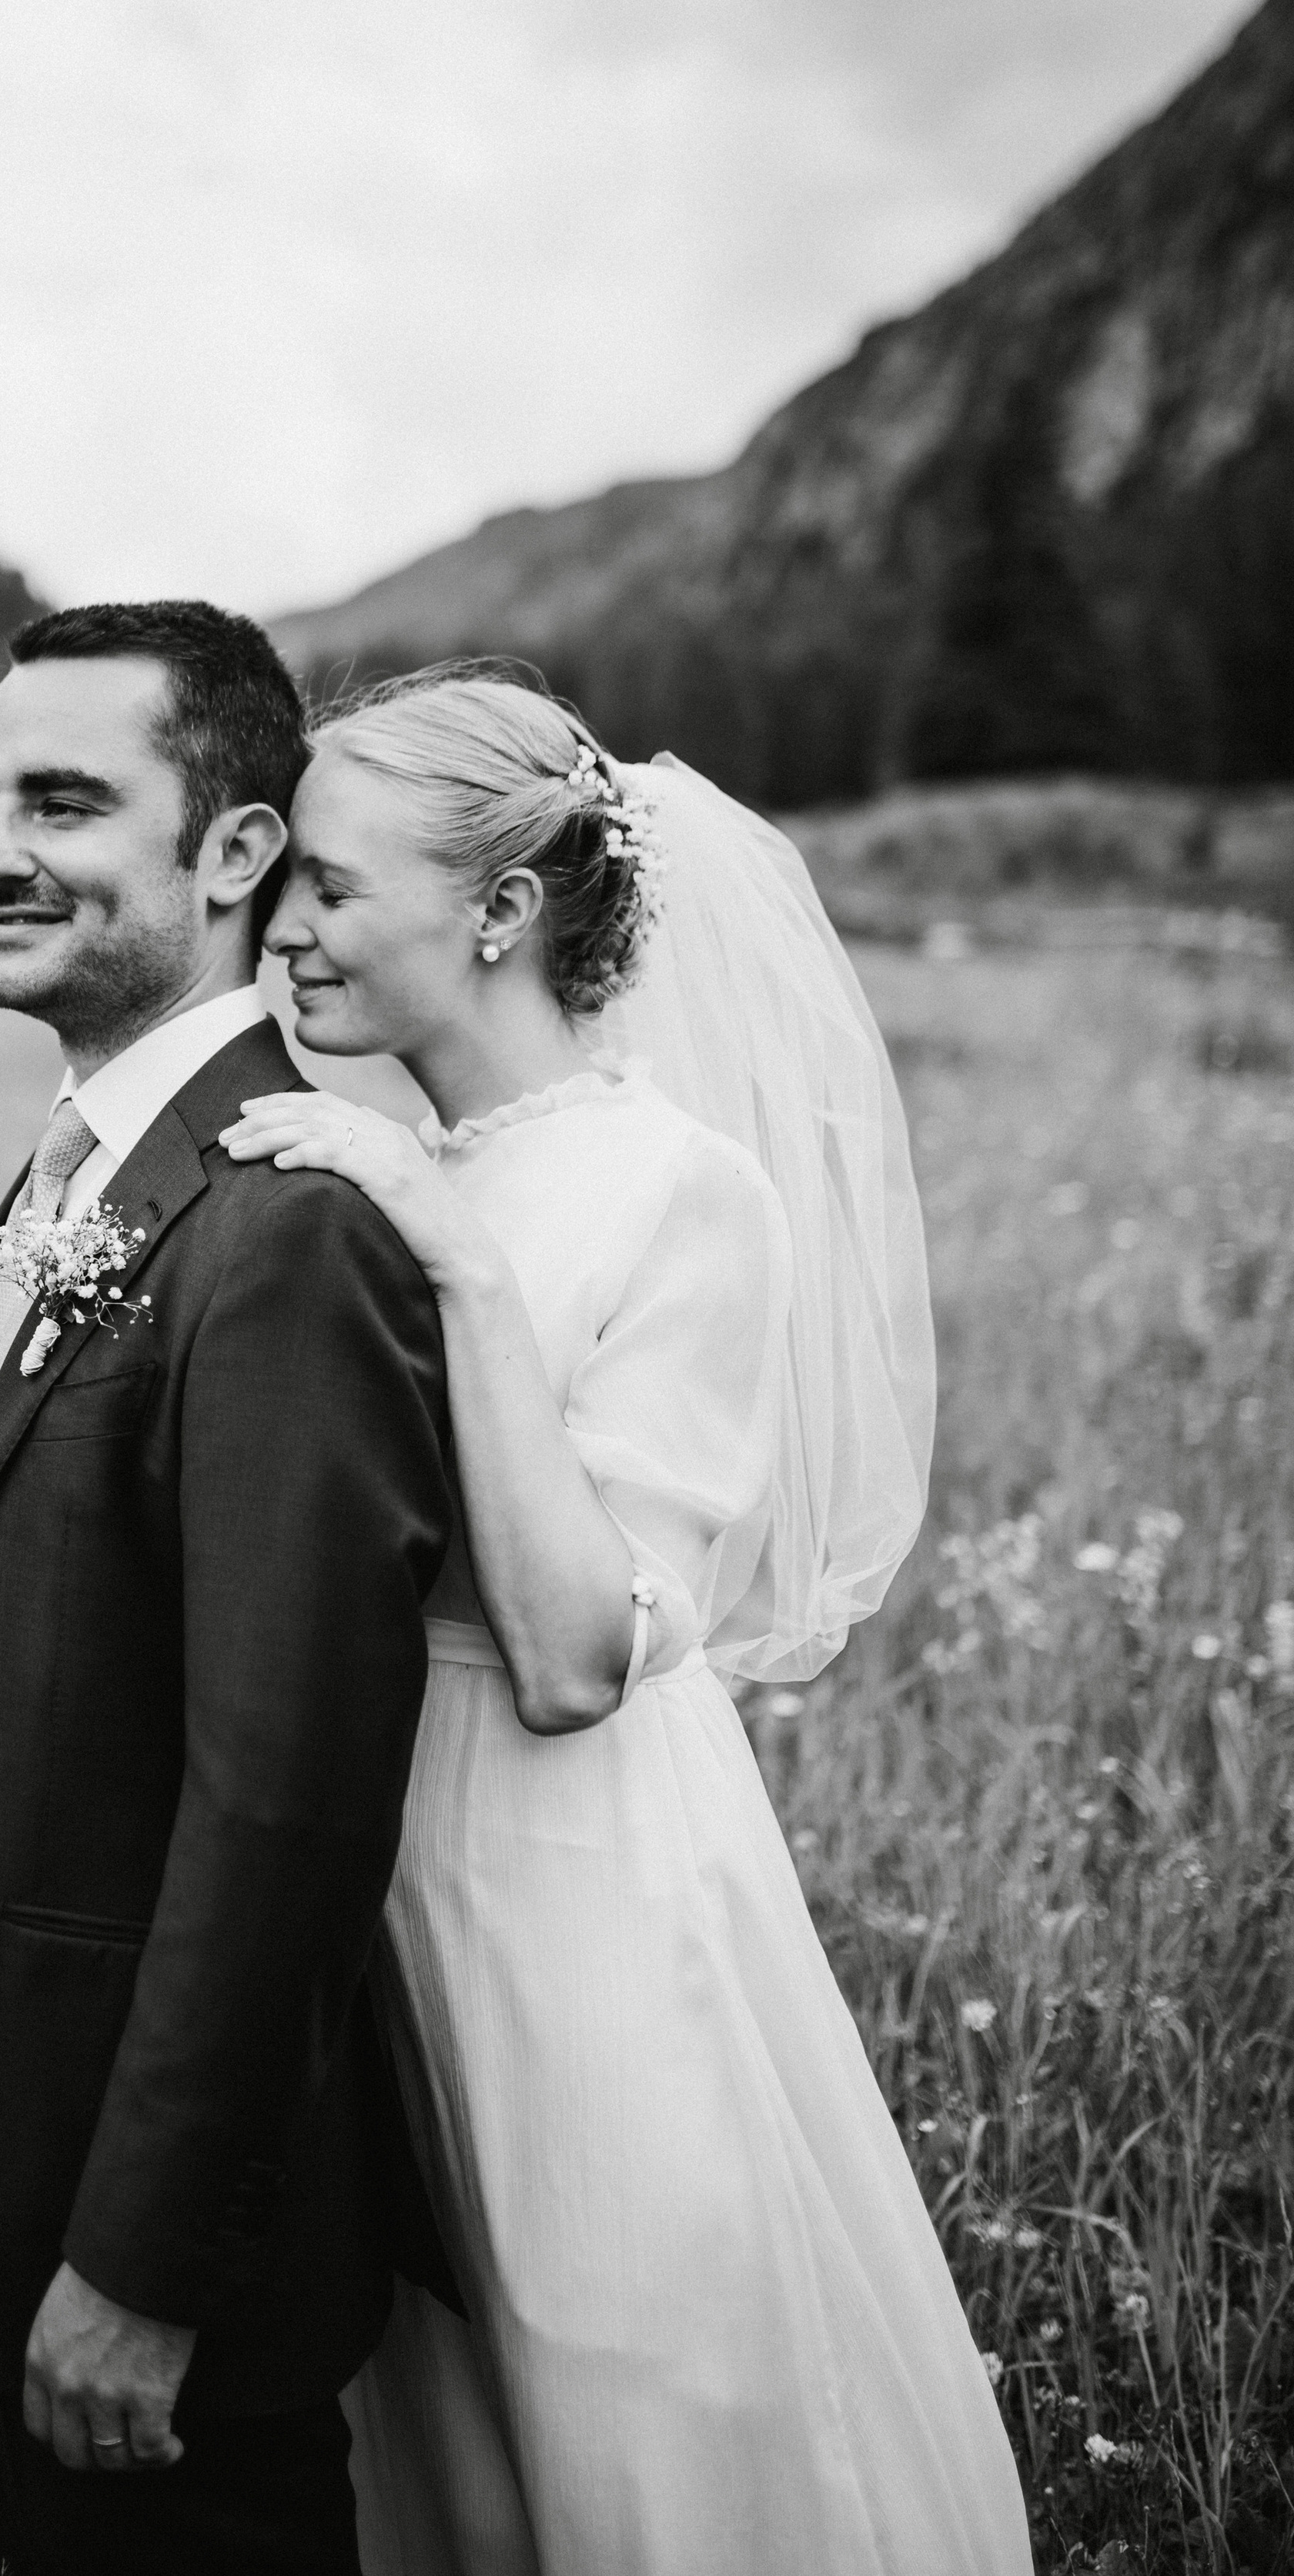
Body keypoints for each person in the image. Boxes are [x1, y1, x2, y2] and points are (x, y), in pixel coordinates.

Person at [223, 663, 1035, 2575]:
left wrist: (453, 1261)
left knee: (619, 2392)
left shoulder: (681, 1191)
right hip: (367, 1875)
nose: (286, 926)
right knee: (433, 2417)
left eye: (332, 884)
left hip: (562, 1888)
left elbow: (578, 1653)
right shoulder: (379, 1166)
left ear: (497, 910)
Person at [0, 603, 460, 2576]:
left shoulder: (285, 1230)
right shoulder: (86, 1165)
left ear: (235, 851)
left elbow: (288, 1803)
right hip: (4, 2162)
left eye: (64, 800)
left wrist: (145, 2262)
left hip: (147, 2269)